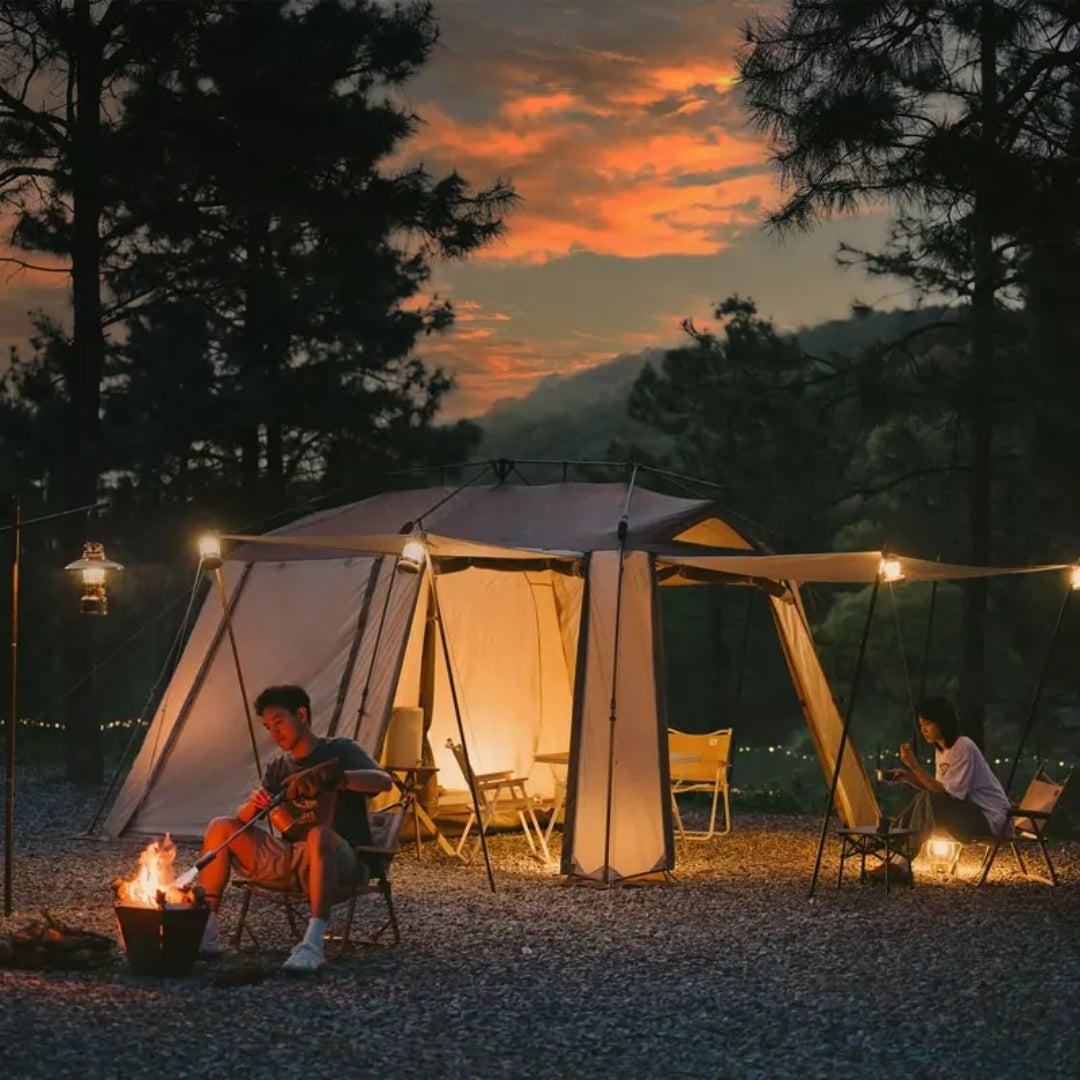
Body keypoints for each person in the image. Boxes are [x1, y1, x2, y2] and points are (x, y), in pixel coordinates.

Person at [196, 684, 392, 973]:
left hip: (342, 858)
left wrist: (337, 777)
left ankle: (312, 944)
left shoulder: (339, 750)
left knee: (319, 834)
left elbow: (383, 781)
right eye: (267, 727)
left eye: (279, 722)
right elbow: (245, 818)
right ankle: (207, 932)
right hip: (293, 858)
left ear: (302, 714)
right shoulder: (278, 767)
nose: (275, 733)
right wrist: (254, 804)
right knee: (221, 826)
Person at [877, 696, 1011, 884]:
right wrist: (907, 777)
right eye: (921, 724)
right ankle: (897, 858)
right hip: (968, 813)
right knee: (926, 798)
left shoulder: (964, 746)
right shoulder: (941, 751)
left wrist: (914, 766)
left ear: (943, 722)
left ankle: (895, 843)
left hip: (990, 820)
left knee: (930, 799)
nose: (923, 730)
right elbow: (937, 789)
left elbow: (946, 794)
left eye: (928, 724)